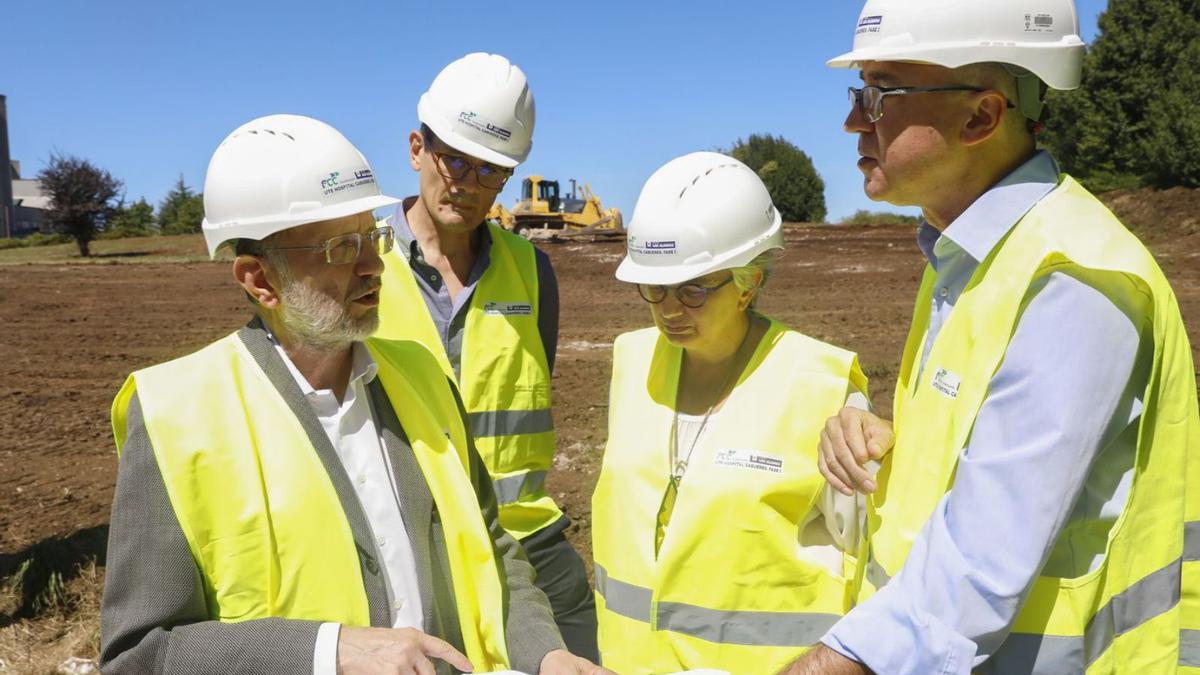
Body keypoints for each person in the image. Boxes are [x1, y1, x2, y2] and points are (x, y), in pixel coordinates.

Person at [100, 114, 609, 675]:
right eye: (342, 249)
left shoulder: (422, 377)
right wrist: (326, 651)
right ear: (258, 279)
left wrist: (546, 652)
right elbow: (140, 655)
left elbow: (493, 548)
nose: (374, 267)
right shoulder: (176, 414)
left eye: (374, 237)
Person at [783, 1, 1200, 673]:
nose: (853, 120)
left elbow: (974, 572)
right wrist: (886, 439)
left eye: (879, 93)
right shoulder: (967, 256)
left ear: (981, 115)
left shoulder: (1074, 281)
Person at [591, 152, 871, 674]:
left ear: (749, 282)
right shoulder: (631, 361)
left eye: (693, 290)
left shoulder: (823, 387)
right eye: (653, 289)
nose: (668, 310)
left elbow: (874, 568)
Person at [373, 52, 598, 660]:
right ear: (418, 148)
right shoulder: (359, 261)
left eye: (491, 171)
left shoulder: (532, 271)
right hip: (415, 551)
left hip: (526, 541)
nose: (468, 185)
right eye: (455, 161)